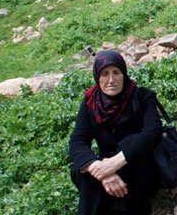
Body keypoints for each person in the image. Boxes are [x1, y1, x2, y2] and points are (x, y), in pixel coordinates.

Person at [69, 50, 162, 215]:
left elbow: (153, 133)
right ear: (97, 77)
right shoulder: (90, 103)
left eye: (116, 73)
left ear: (124, 74)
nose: (111, 80)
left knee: (131, 169)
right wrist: (100, 168)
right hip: (106, 166)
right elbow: (77, 141)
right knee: (81, 169)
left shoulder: (141, 97)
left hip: (139, 163)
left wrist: (117, 162)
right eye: (104, 74)